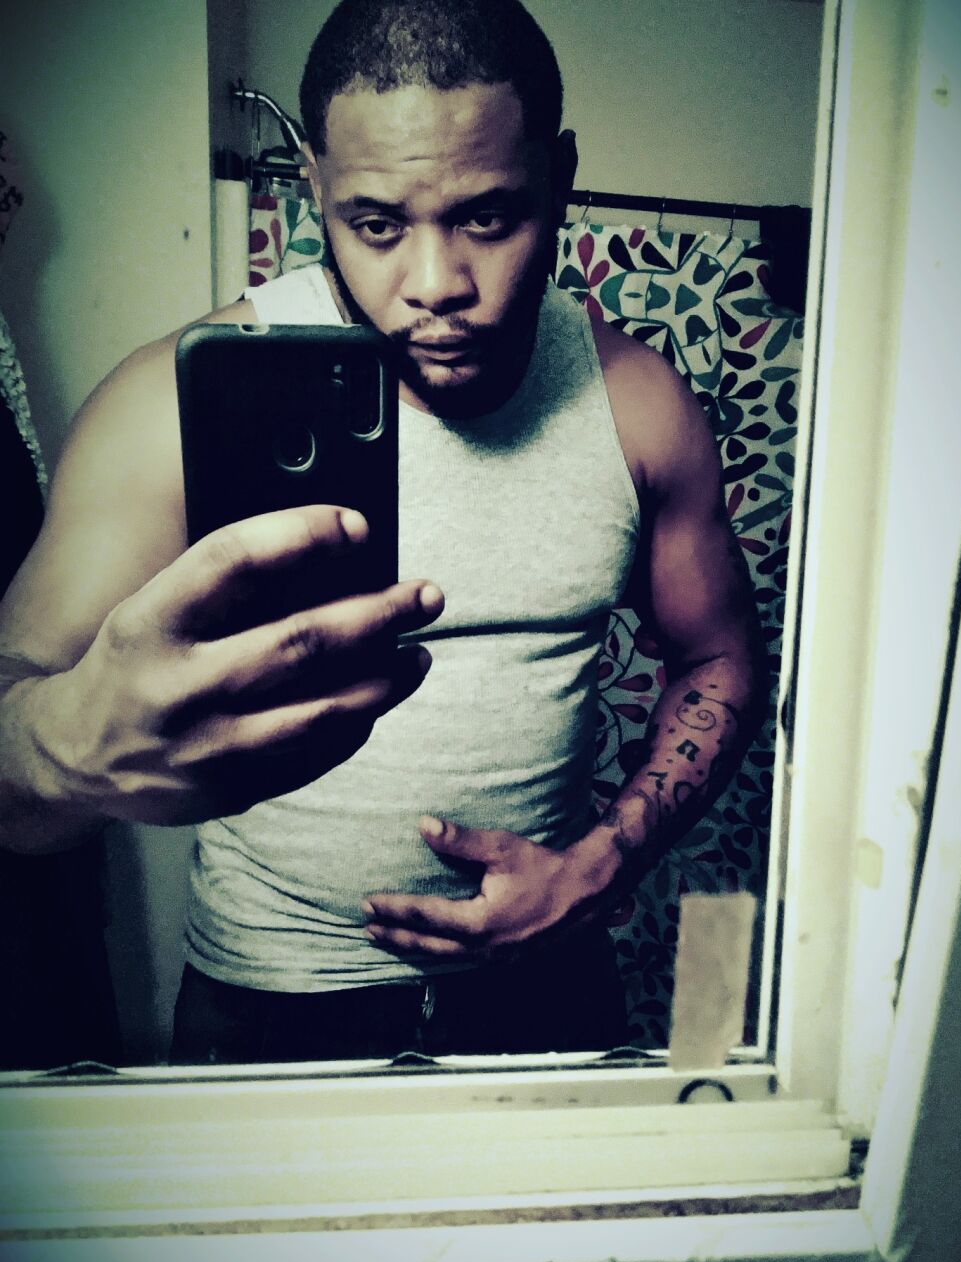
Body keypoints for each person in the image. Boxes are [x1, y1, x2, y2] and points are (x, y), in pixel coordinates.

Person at [0, 0, 763, 1064]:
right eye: (376, 225)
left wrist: (601, 867)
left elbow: (721, 655)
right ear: (315, 187)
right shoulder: (172, 408)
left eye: (488, 217)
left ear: (558, 177)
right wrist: (72, 744)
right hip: (269, 1004)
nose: (436, 286)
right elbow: (12, 723)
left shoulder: (637, 404)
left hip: (544, 978)